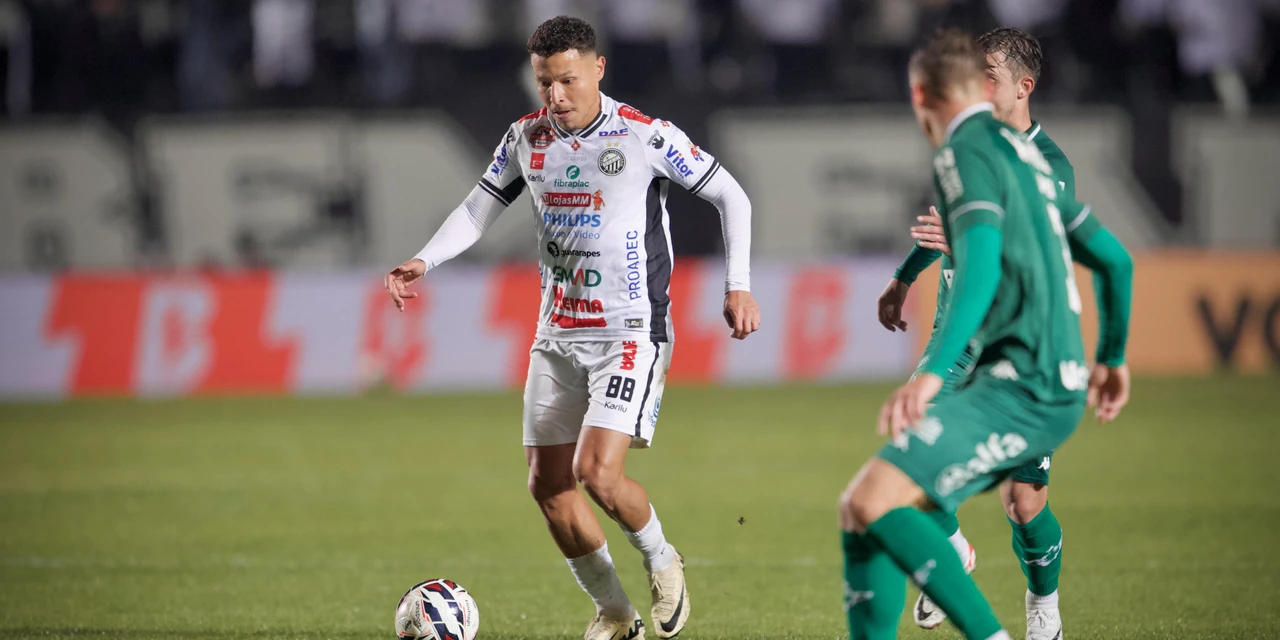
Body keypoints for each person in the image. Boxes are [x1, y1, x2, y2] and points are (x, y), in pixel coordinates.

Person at [384, 15, 761, 640]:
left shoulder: (644, 136)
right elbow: (479, 207)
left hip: (630, 330)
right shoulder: (526, 137)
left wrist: (737, 284)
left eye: (566, 81)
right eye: (544, 83)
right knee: (549, 487)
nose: (555, 97)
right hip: (557, 334)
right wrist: (423, 259)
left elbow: (732, 196)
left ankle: (663, 557)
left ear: (597, 69)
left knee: (598, 474)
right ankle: (615, 614)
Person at [839, 28, 1132, 640]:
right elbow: (1113, 260)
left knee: (1018, 504)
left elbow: (986, 264)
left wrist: (927, 371)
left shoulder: (1009, 156)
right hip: (998, 357)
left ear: (921, 95)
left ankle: (1037, 608)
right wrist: (904, 278)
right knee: (887, 495)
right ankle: (953, 562)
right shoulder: (997, 152)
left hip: (1019, 369)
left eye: (993, 75)